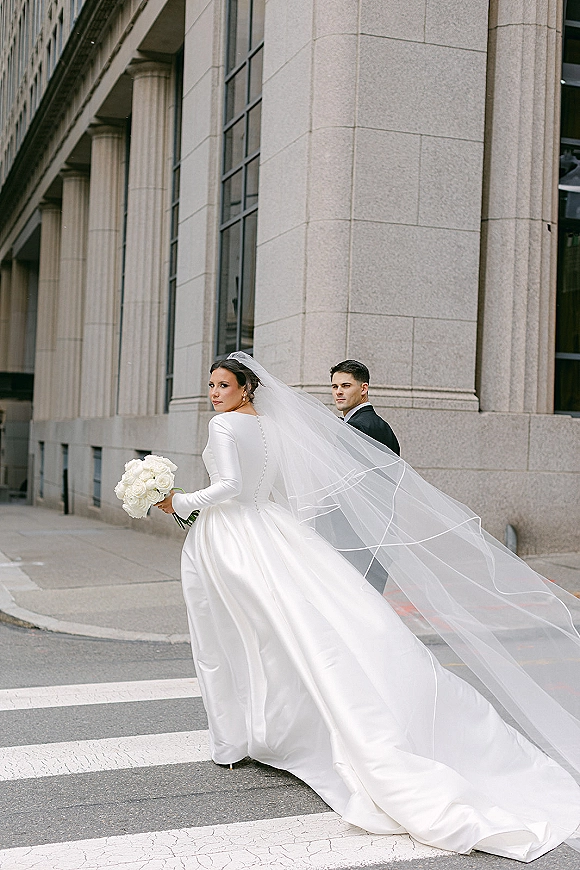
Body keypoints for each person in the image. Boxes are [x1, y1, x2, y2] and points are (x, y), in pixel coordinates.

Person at [156, 353, 580, 862]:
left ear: (245, 389)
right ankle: (272, 729)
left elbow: (228, 488)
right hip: (273, 530)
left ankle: (242, 737)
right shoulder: (268, 426)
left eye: (222, 385)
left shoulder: (223, 427)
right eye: (210, 385)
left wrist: (176, 501)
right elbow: (274, 488)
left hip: (234, 537)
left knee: (233, 635)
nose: (213, 393)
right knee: (291, 633)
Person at [330, 360, 400, 455]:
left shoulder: (355, 427)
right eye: (335, 386)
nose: (338, 392)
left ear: (363, 389)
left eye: (346, 386)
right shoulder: (382, 425)